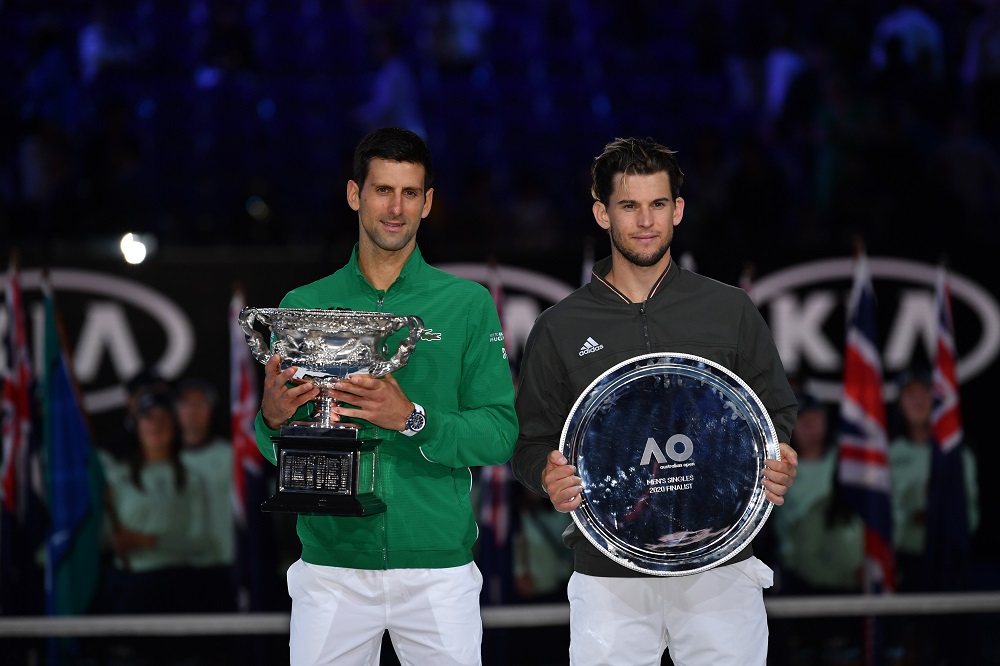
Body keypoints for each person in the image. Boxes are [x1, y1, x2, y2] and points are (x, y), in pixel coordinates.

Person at [510, 136, 799, 666]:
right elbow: (529, 443)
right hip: (608, 576)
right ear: (602, 213)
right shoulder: (557, 328)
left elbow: (775, 413)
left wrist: (780, 456)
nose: (645, 221)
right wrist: (545, 475)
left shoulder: (728, 308)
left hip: (722, 569)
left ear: (678, 210)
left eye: (658, 205)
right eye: (628, 206)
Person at [254, 126, 518, 666]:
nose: (395, 208)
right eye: (382, 190)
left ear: (427, 203)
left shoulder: (466, 304)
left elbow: (499, 434)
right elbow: (272, 447)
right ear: (355, 195)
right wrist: (271, 420)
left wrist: (413, 418)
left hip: (437, 571)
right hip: (331, 568)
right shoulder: (305, 304)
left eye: (410, 193)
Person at [174, 377, 237, 613]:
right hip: (178, 567)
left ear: (211, 409)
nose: (192, 411)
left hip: (225, 563)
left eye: (199, 403)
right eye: (186, 404)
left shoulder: (232, 456)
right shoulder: (164, 462)